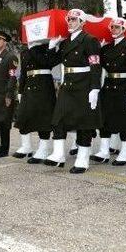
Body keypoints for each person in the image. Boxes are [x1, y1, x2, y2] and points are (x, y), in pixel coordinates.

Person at [45, 9, 102, 173]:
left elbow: (95, 66)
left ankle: (83, 159)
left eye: (74, 19)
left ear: (83, 22)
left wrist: (95, 89)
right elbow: (50, 62)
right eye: (68, 19)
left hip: (84, 85)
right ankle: (58, 155)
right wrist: (51, 47)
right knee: (57, 119)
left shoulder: (90, 40)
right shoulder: (65, 42)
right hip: (68, 86)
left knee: (84, 124)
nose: (70, 22)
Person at [90, 18, 126, 166]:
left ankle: (125, 153)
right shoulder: (106, 48)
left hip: (125, 87)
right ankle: (104, 151)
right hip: (109, 86)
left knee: (124, 121)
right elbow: (97, 64)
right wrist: (97, 49)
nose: (114, 29)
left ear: (124, 29)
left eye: (117, 27)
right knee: (105, 119)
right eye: (112, 27)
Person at [13, 39, 60, 163]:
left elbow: (47, 62)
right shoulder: (25, 51)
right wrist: (20, 90)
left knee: (43, 118)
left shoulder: (46, 47)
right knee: (23, 116)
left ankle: (43, 150)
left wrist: (47, 47)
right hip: (29, 85)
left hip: (43, 85)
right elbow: (24, 72)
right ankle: (26, 146)